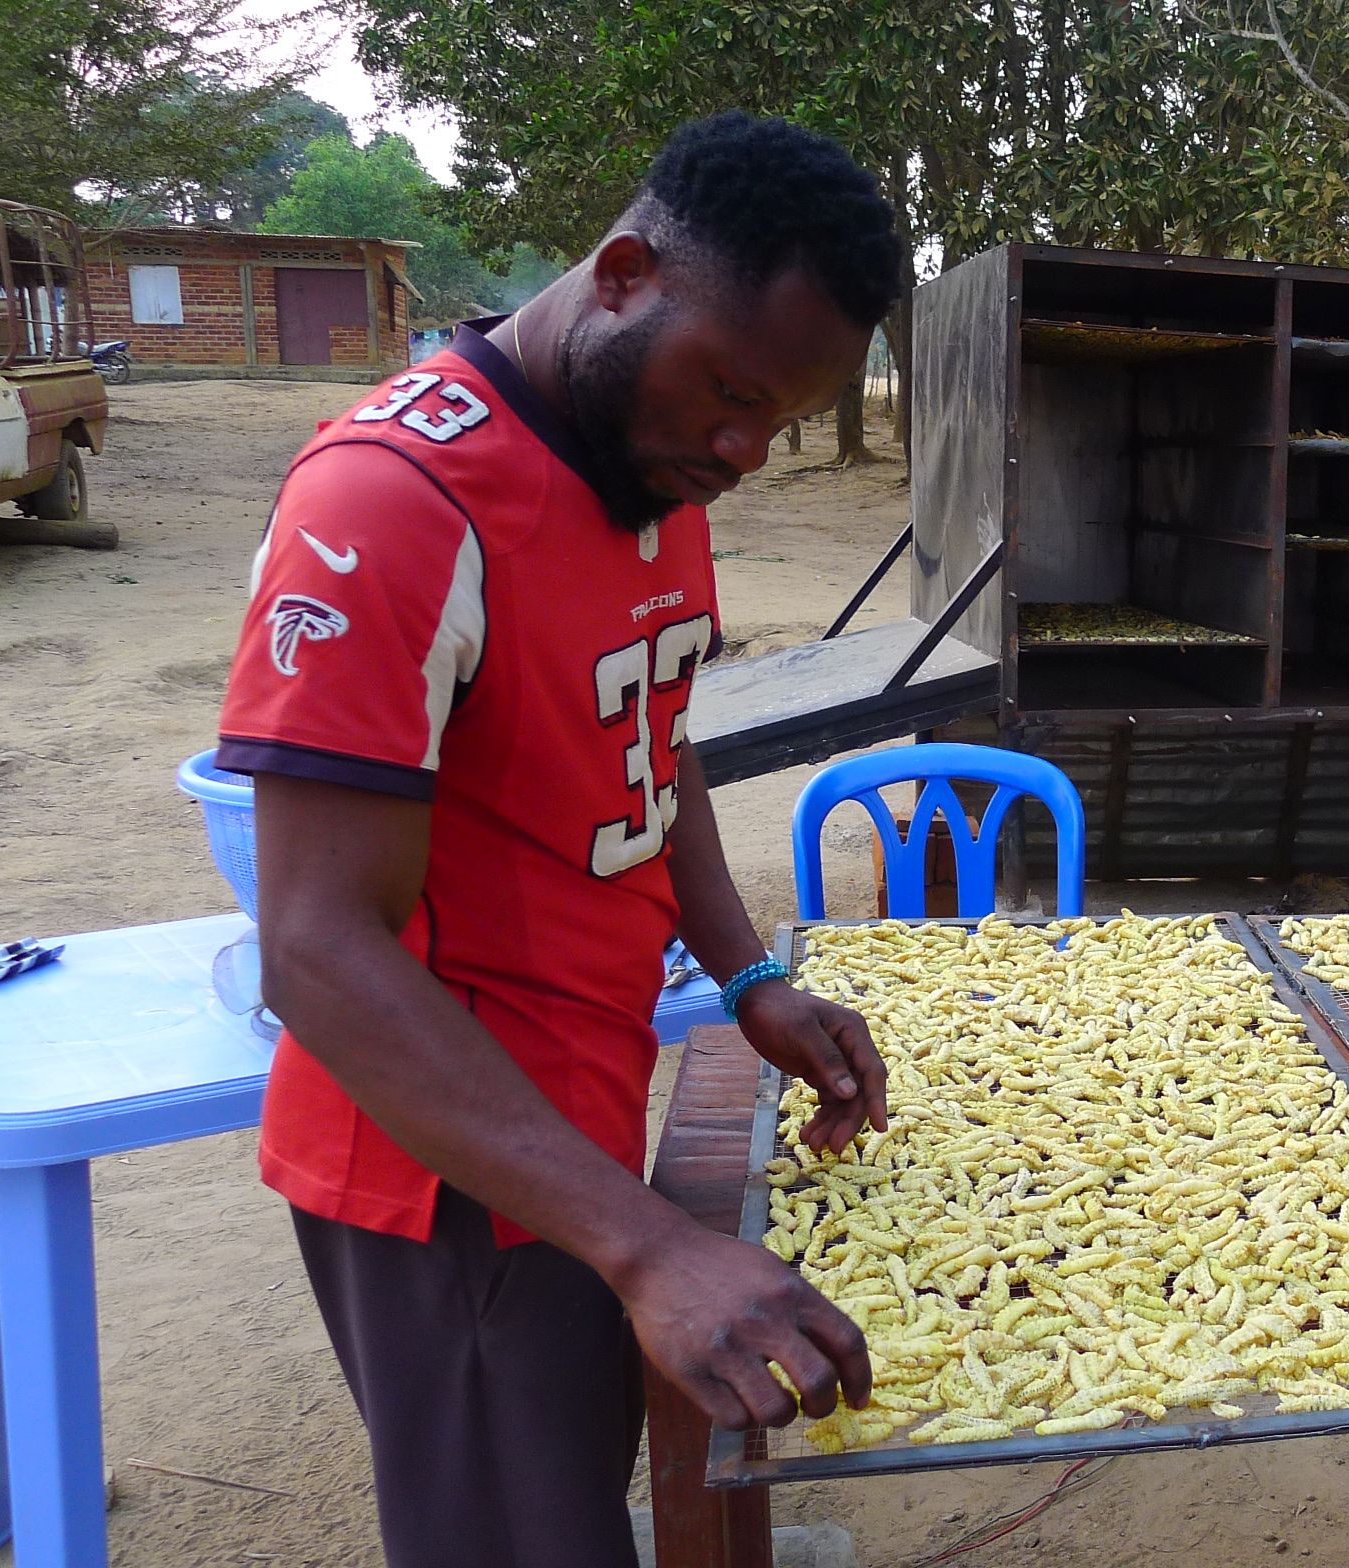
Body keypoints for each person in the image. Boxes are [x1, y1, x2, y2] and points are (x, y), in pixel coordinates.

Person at [215, 112, 906, 1567]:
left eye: (779, 420)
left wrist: (748, 978)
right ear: (623, 273)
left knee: (579, 1497)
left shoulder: (649, 462)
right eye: (731, 393)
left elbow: (654, 741)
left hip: (579, 1118)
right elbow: (316, 945)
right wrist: (649, 1244)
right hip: (449, 1172)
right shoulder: (393, 501)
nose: (743, 449)